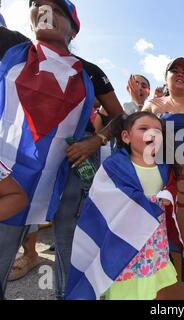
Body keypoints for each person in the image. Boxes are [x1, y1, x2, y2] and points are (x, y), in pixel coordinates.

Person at [0, 0, 123, 299]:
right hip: (12, 164)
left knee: (70, 234)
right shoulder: (9, 46)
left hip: (72, 162)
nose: (44, 11)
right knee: (4, 236)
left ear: (73, 28)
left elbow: (121, 117)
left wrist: (97, 140)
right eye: (37, 5)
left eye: (56, 8)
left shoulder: (90, 71)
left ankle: (69, 294)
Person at [66, 112, 184, 300]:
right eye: (144, 129)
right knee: (126, 290)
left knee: (156, 286)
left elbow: (171, 189)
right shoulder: (114, 166)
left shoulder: (164, 166)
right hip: (122, 242)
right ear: (126, 137)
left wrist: (169, 195)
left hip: (154, 243)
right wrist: (150, 202)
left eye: (157, 131)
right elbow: (104, 198)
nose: (151, 135)